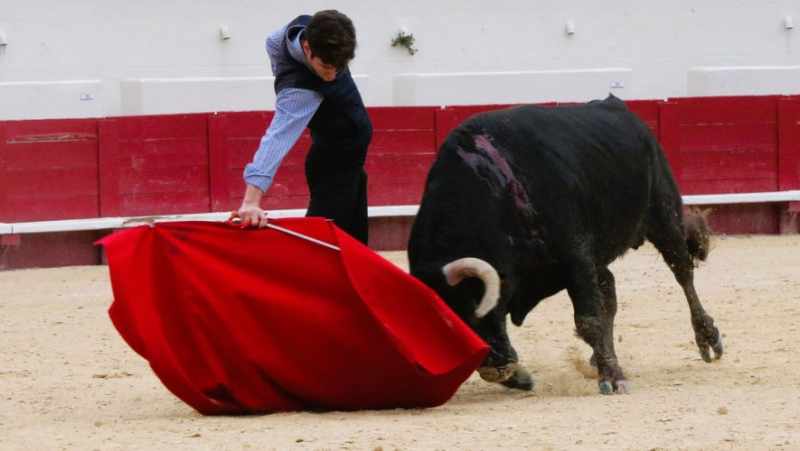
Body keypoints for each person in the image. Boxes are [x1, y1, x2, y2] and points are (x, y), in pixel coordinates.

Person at [237, 10, 373, 244]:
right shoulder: (300, 91)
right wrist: (251, 201)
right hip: (336, 167)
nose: (331, 77)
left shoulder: (305, 28)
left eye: (338, 69)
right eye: (325, 67)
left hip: (345, 162)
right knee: (321, 247)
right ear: (307, 48)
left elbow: (271, 41)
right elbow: (277, 138)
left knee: (354, 245)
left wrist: (279, 69)